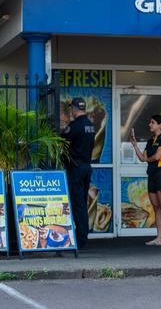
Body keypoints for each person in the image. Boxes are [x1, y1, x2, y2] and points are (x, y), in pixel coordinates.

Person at [130, 115, 161, 246]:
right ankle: (159, 237)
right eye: (150, 122)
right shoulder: (150, 141)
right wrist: (134, 145)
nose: (150, 125)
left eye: (152, 122)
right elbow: (143, 158)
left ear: (160, 125)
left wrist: (149, 159)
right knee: (156, 207)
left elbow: (157, 156)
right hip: (152, 174)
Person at [61, 97, 95, 249]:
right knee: (82, 202)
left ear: (74, 109)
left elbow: (61, 139)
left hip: (75, 168)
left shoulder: (75, 126)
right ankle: (83, 234)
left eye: (72, 109)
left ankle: (80, 238)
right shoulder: (90, 125)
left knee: (77, 204)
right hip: (86, 167)